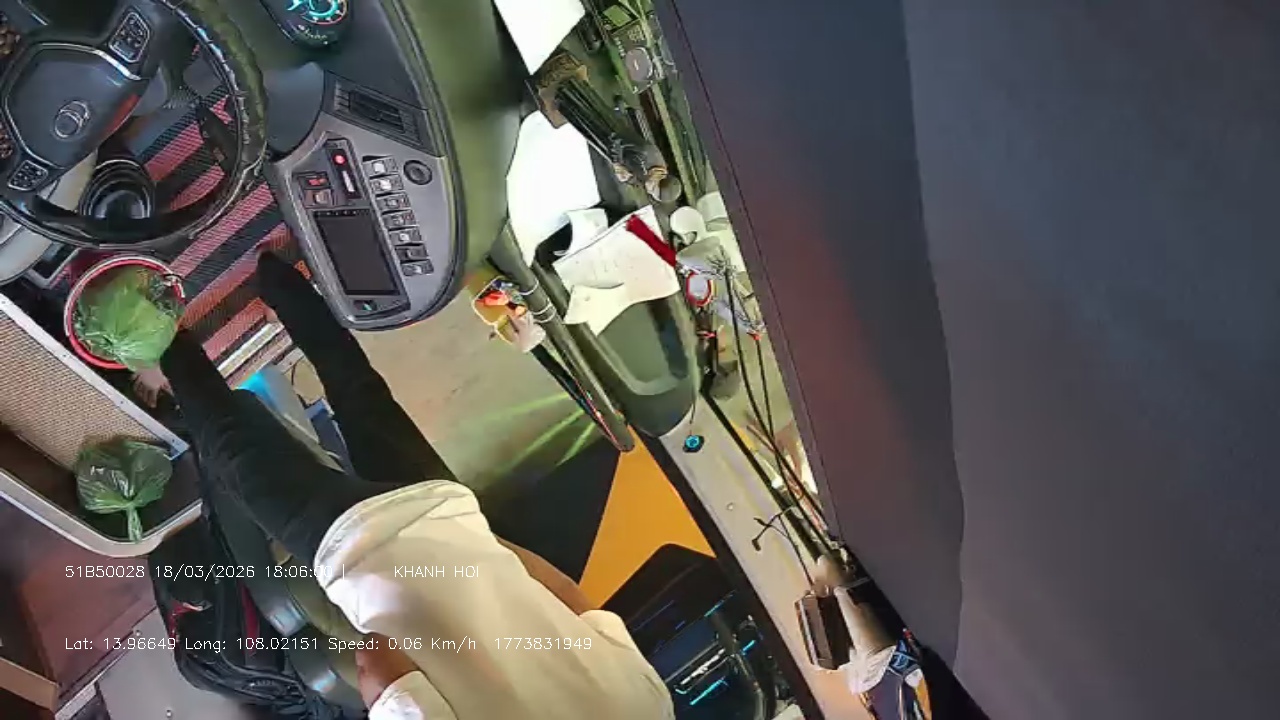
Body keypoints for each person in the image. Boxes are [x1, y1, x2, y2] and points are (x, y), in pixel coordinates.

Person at [156, 252, 674, 720]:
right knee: (232, 446)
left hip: (446, 510)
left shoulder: (651, 707)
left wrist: (473, 541)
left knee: (358, 391)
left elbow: (566, 593)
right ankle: (161, 333)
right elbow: (380, 664)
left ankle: (278, 277)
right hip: (360, 548)